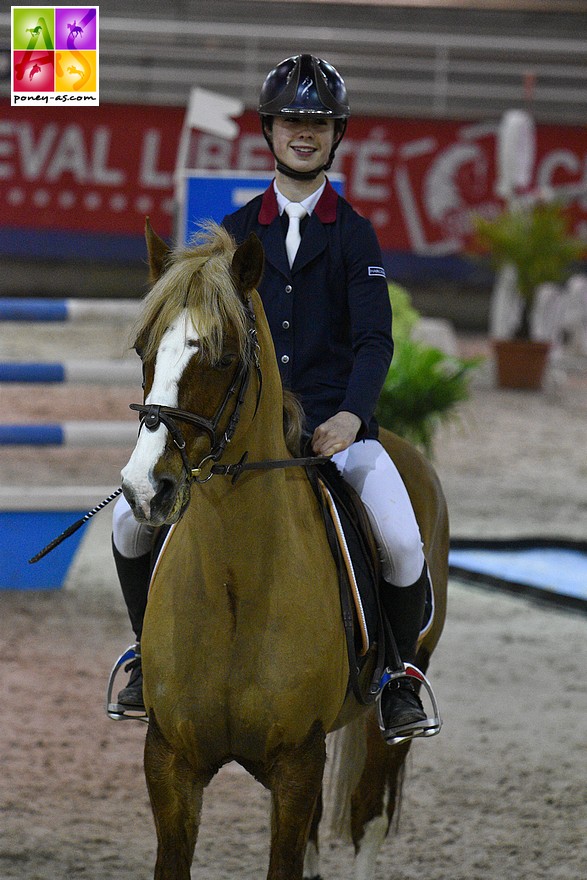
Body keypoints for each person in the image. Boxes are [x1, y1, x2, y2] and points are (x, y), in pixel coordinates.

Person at [111, 54, 432, 742]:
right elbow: (196, 337)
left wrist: (349, 416)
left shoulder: (353, 235)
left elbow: (374, 340)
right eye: (292, 120)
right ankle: (145, 654)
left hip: (334, 431)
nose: (304, 133)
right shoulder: (231, 232)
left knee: (403, 542)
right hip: (237, 430)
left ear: (335, 134)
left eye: (318, 123)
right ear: (269, 129)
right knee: (128, 525)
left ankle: (395, 678)